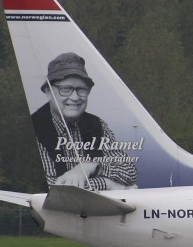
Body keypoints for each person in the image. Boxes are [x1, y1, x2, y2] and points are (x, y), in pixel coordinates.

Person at [31, 52, 137, 190]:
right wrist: (109, 184)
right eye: (66, 89)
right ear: (48, 91)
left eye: (81, 89)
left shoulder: (98, 125)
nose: (75, 97)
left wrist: (91, 166)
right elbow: (55, 189)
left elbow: (130, 172)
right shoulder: (34, 128)